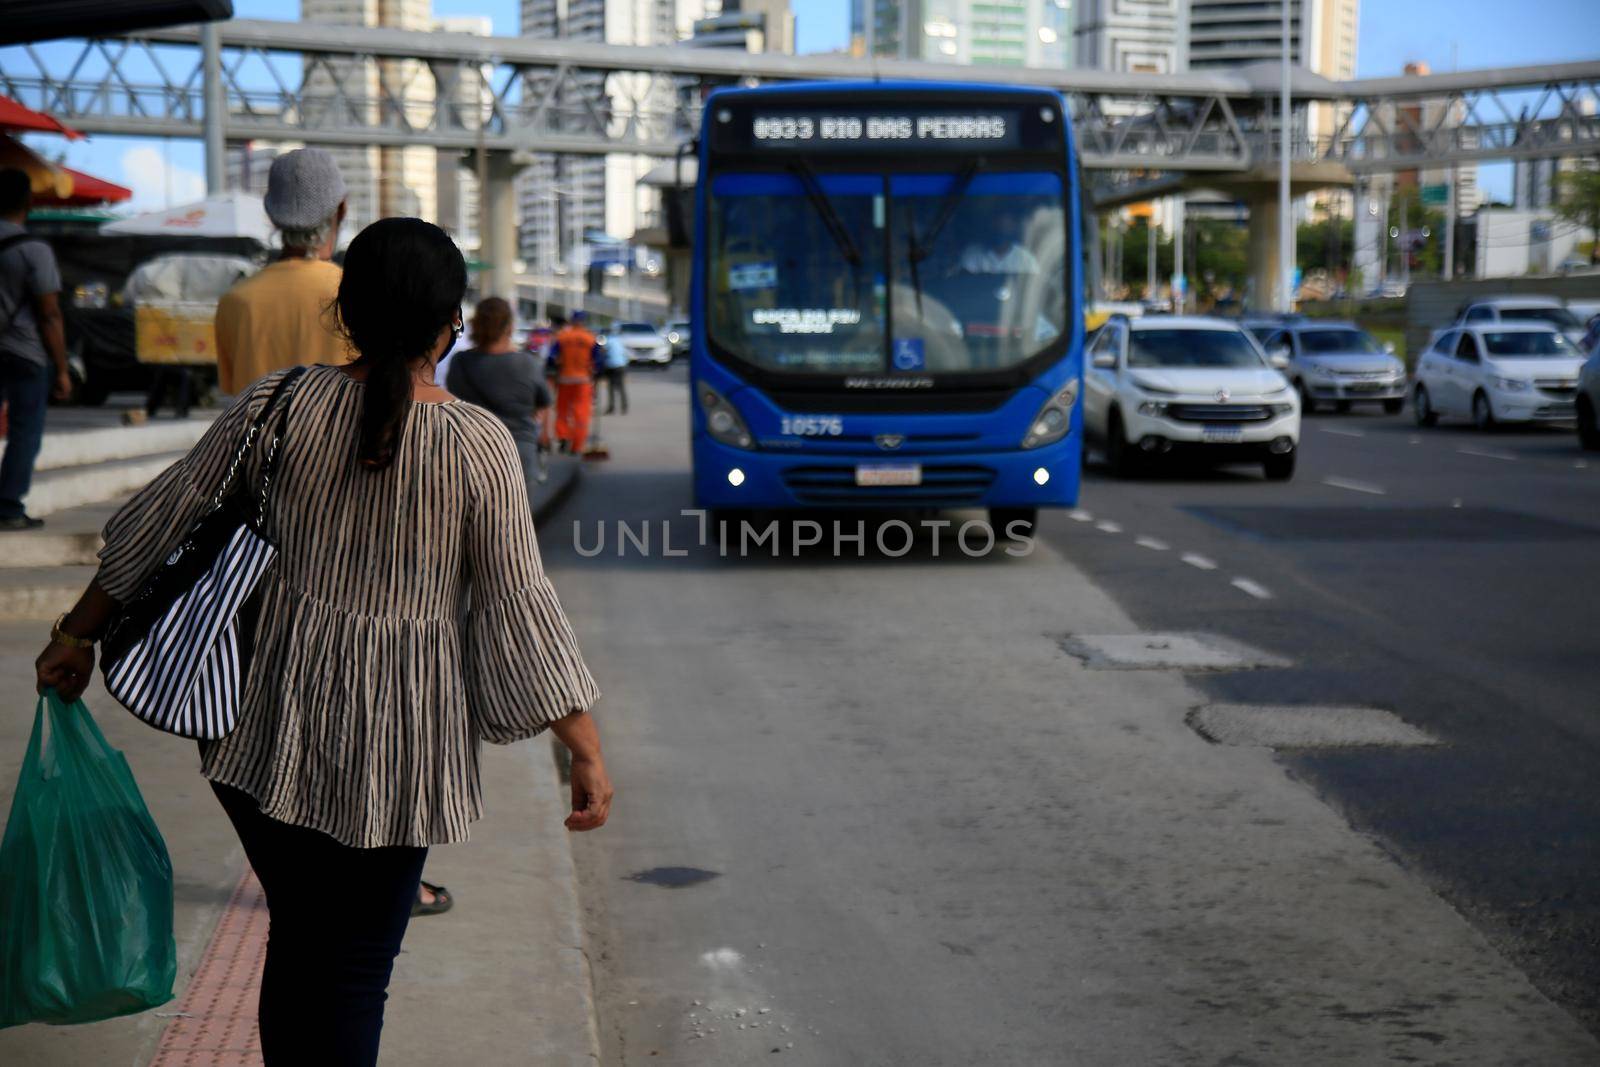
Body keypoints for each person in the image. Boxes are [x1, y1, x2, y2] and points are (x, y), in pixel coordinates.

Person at [36, 218, 613, 1066]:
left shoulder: (279, 403)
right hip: (403, 746)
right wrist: (586, 749)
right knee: (353, 969)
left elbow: (163, 520)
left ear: (347, 312)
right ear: (448, 325)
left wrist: (75, 635)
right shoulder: (480, 446)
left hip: (262, 726)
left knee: (302, 943)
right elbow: (518, 606)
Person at [215, 147, 352, 395]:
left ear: (272, 216)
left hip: (258, 434)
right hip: (341, 434)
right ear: (341, 210)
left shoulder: (234, 301)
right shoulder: (360, 295)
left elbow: (232, 396)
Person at [0, 169, 72, 530]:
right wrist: (61, 368)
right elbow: (49, 314)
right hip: (25, 353)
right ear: (29, 201)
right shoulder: (34, 250)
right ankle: (9, 506)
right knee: (25, 430)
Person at [446, 296, 555, 503]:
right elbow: (544, 403)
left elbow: (453, 400)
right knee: (516, 526)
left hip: (472, 452)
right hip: (518, 453)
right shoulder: (528, 364)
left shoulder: (460, 362)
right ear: (510, 327)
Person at [552, 310, 599, 453]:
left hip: (564, 380)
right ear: (584, 322)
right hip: (583, 381)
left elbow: (551, 357)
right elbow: (598, 361)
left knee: (562, 411)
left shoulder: (562, 337)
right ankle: (577, 445)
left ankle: (563, 437)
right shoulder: (590, 338)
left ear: (572, 321)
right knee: (581, 413)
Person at [958, 210, 1040, 275]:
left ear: (1013, 228)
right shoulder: (972, 254)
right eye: (998, 226)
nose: (1001, 232)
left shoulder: (1026, 260)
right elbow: (962, 285)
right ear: (991, 225)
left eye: (1006, 227)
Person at [601, 325, 629, 416]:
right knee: (621, 387)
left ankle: (611, 407)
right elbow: (625, 354)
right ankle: (624, 407)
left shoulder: (608, 341)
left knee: (611, 387)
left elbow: (603, 352)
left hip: (611, 366)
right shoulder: (620, 341)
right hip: (621, 365)